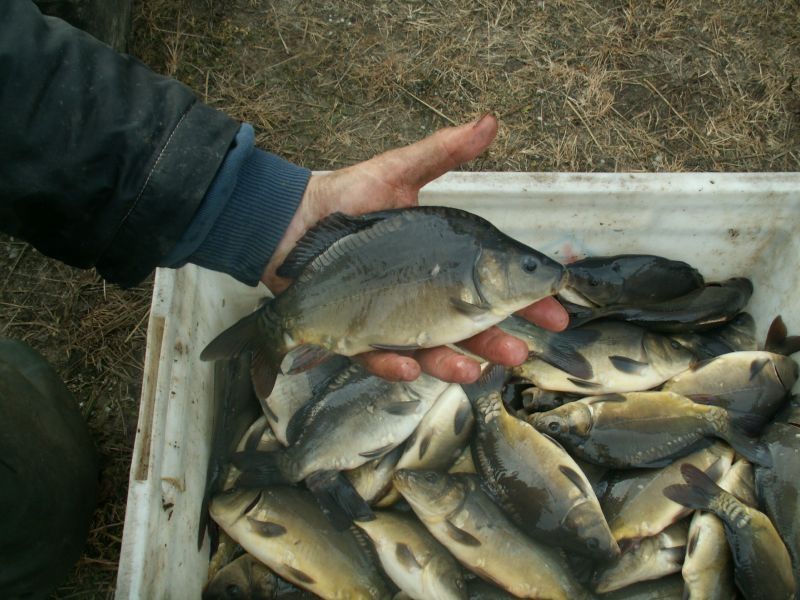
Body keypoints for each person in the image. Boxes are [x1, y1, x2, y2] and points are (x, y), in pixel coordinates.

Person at [0, 1, 568, 596]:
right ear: (490, 266)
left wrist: (254, 208)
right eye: (526, 265)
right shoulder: (466, 267)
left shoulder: (474, 266)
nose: (539, 271)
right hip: (328, 303)